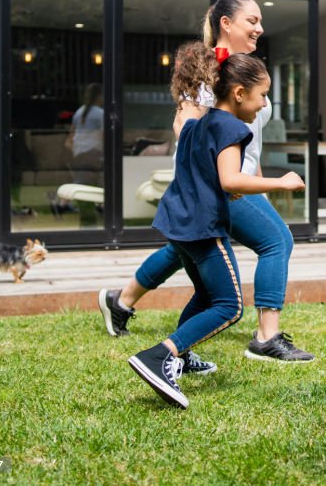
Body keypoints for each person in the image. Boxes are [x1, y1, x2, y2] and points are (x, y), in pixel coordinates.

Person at [100, 0, 314, 368]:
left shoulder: (244, 71)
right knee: (276, 241)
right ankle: (266, 337)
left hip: (238, 179)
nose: (260, 28)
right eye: (252, 20)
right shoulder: (206, 73)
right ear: (225, 23)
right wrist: (214, 182)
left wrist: (259, 183)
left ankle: (121, 301)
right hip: (220, 184)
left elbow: (252, 142)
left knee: (186, 250)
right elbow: (186, 126)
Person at [129, 51, 305, 408]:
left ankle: (179, 357)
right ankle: (160, 355)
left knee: (207, 296)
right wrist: (282, 183)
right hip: (202, 227)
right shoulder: (233, 129)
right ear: (239, 93)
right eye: (262, 95)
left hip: (176, 221)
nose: (264, 104)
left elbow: (203, 169)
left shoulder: (200, 122)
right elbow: (229, 179)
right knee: (229, 306)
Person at [67, 83, 104, 186]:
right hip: (94, 155)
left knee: (81, 184)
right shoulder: (101, 114)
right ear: (99, 96)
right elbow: (105, 137)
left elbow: (70, 139)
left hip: (78, 155)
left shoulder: (78, 113)